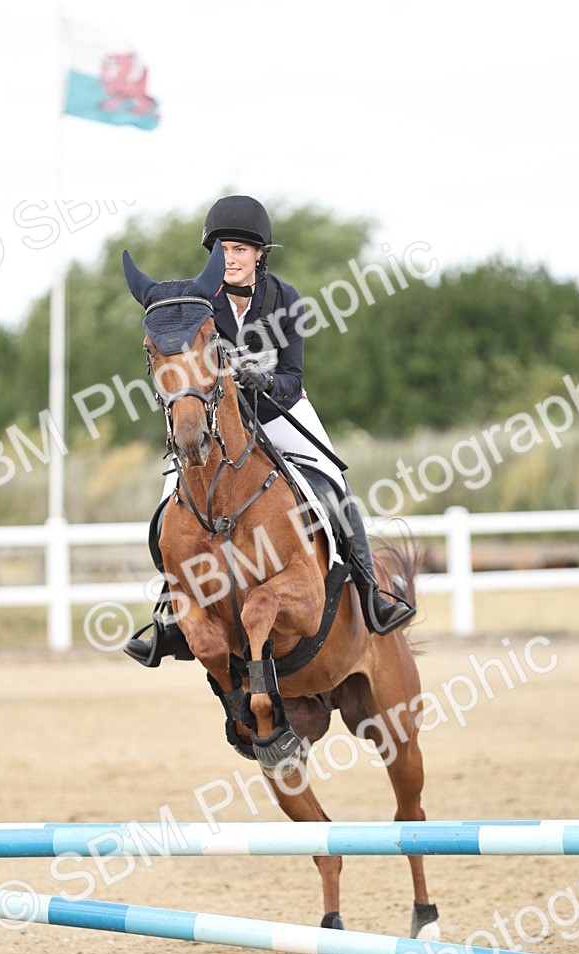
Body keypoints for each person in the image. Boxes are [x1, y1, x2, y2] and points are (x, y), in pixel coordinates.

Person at [125, 195, 414, 666]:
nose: (232, 259)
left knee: (334, 482)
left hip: (282, 411)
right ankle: (171, 614)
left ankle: (371, 592)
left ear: (260, 254)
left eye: (241, 249)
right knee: (170, 502)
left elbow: (294, 377)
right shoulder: (199, 304)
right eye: (223, 250)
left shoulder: (285, 298)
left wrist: (265, 382)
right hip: (222, 422)